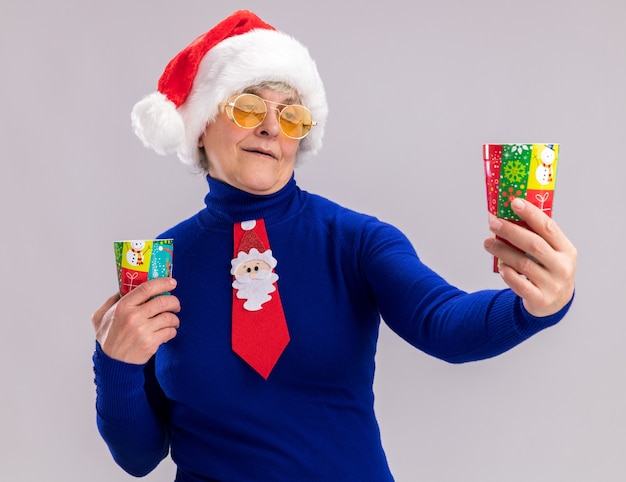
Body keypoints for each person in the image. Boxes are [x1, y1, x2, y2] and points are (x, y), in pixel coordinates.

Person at [91, 10, 577, 481]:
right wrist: (115, 363)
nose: (270, 128)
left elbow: (443, 323)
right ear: (200, 125)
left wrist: (534, 306)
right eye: (248, 106)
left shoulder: (358, 241)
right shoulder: (161, 260)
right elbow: (138, 456)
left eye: (291, 115)